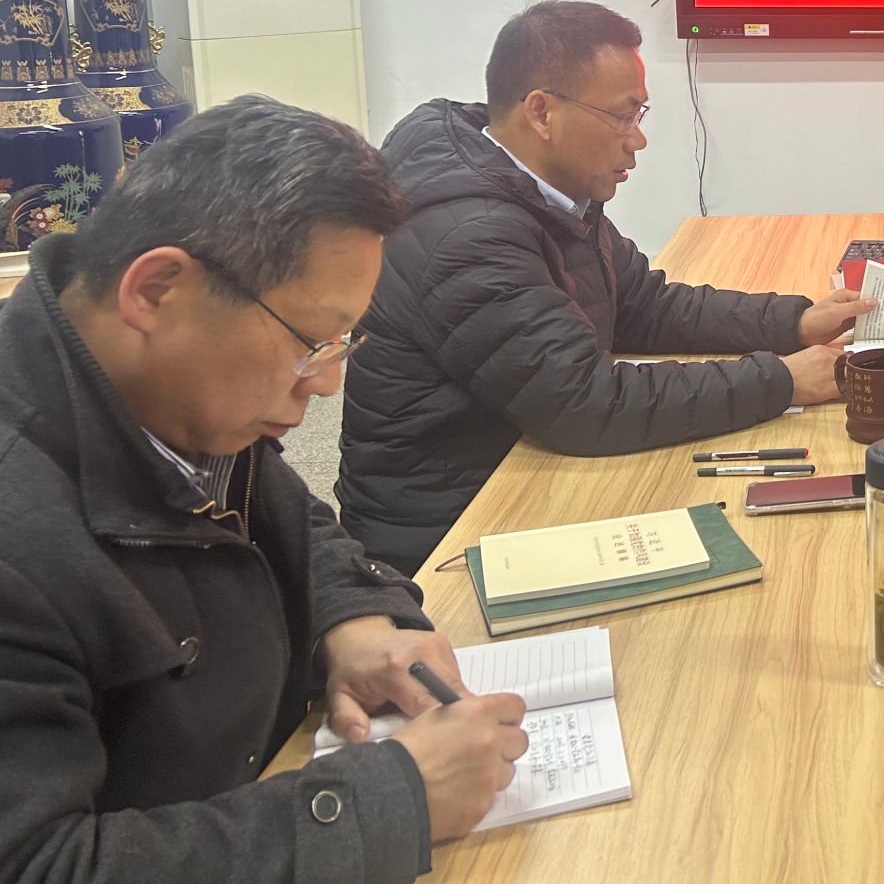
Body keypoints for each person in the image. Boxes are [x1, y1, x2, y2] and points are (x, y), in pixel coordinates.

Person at [0, 96, 530, 884]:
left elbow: (289, 519)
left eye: (344, 342)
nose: (327, 383)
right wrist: (390, 801)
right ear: (156, 290)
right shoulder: (20, 534)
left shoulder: (172, 395)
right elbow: (41, 863)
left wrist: (351, 621)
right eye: (309, 342)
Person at [337, 0, 871, 574]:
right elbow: (583, 402)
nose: (637, 140)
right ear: (541, 112)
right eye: (622, 116)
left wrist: (793, 322)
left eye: (640, 115)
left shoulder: (540, 185)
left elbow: (643, 304)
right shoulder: (471, 235)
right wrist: (782, 380)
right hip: (447, 534)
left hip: (524, 469)